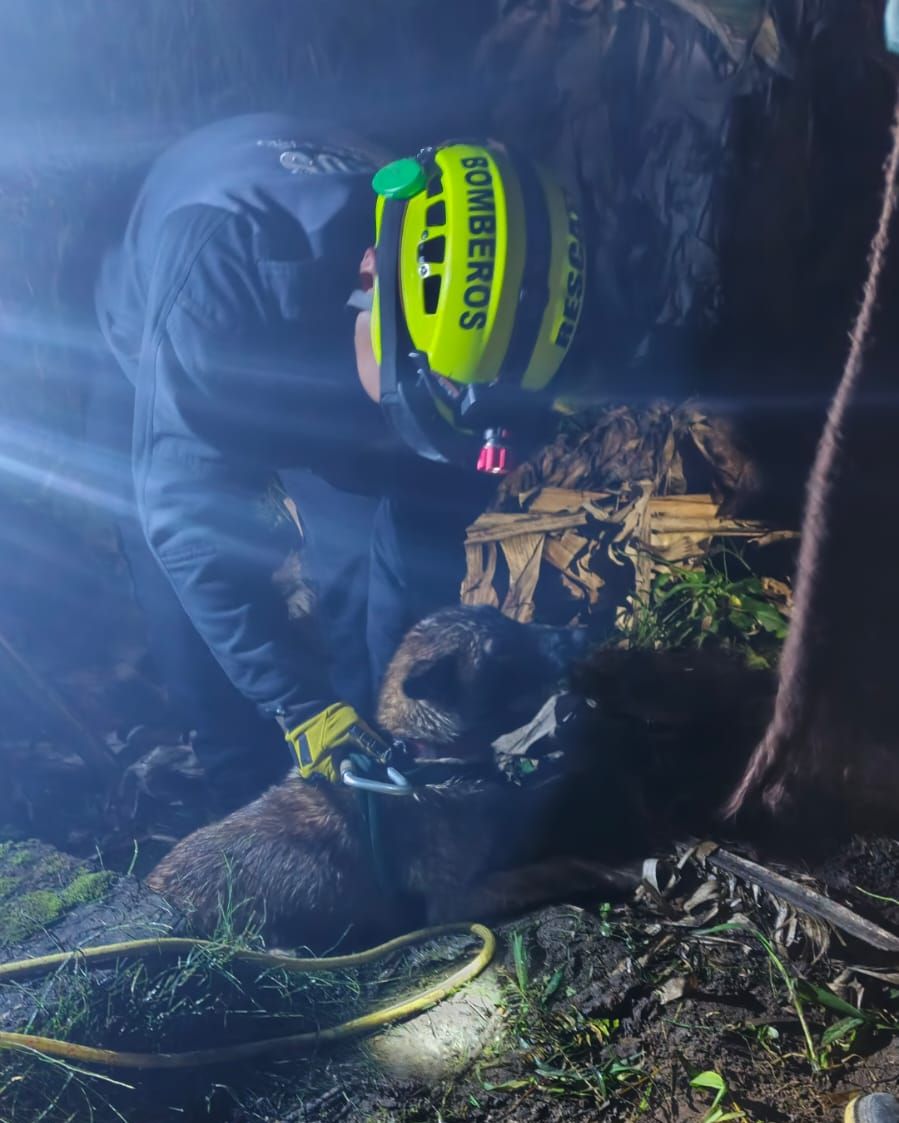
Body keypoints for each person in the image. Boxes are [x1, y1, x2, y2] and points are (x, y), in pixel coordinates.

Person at [92, 112, 585, 797]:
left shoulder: (504, 348)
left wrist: (401, 717)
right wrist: (303, 710)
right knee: (188, 566)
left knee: (363, 574)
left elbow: (417, 538)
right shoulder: (218, 285)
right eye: (415, 395)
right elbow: (184, 524)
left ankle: (361, 782)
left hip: (340, 338)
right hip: (171, 313)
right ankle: (237, 782)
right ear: (370, 280)